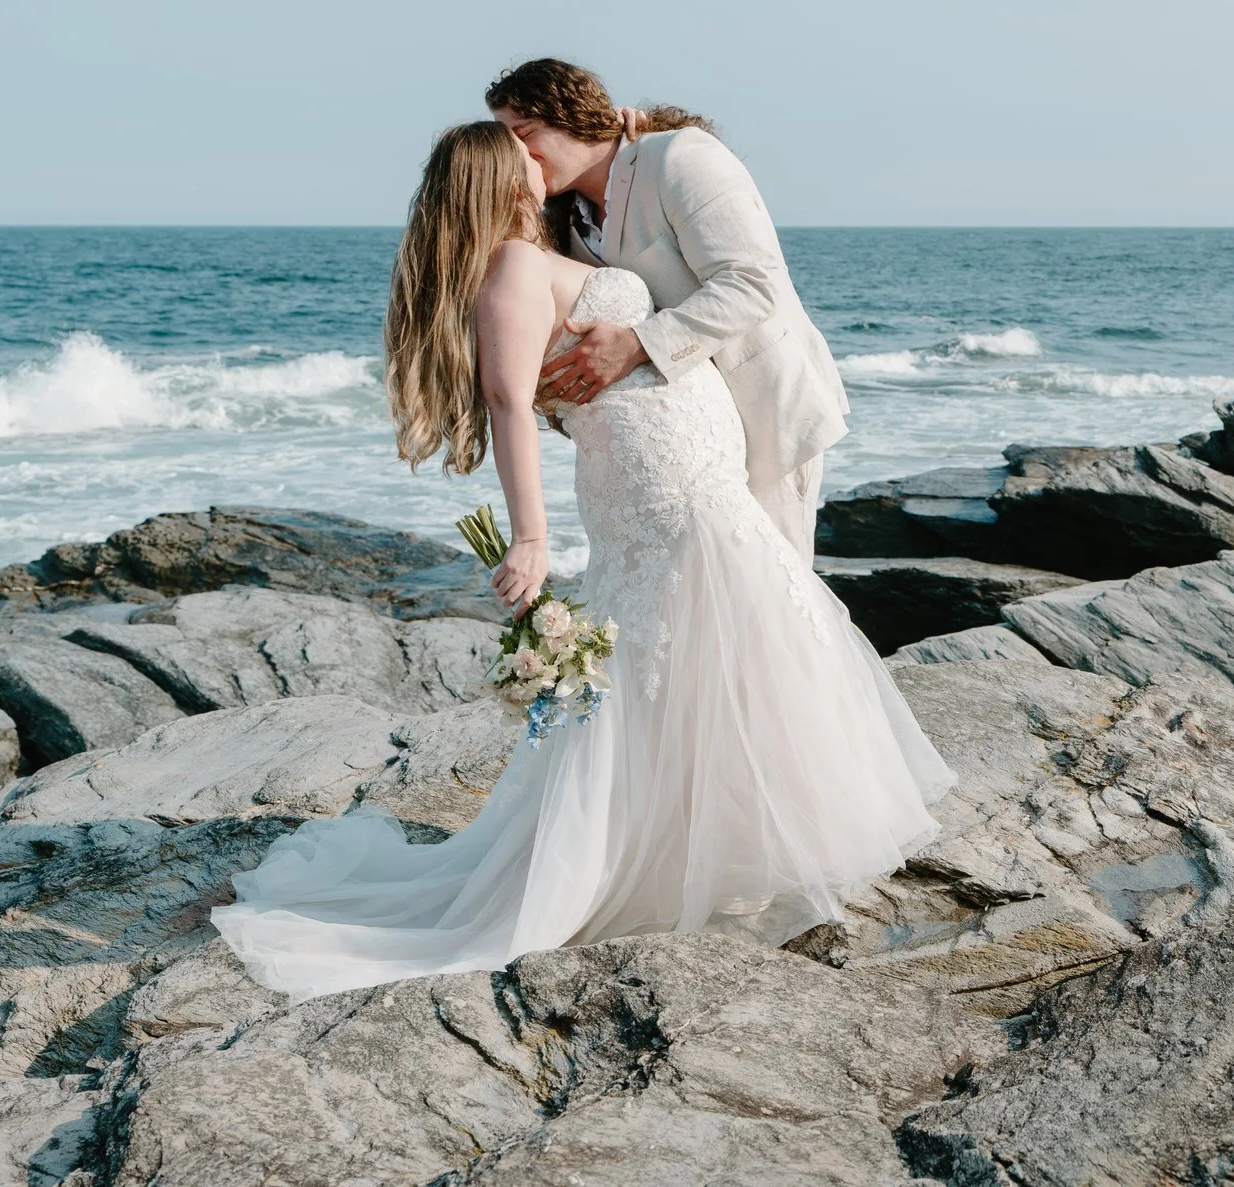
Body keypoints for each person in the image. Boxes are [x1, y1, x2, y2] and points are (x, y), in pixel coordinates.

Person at [210, 122, 953, 1002]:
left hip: (680, 465)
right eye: (518, 143)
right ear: (501, 173)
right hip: (661, 483)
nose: (536, 150)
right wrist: (531, 539)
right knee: (699, 642)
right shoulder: (514, 268)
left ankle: (717, 839)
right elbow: (508, 403)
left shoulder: (537, 250)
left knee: (714, 644)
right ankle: (679, 852)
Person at [485, 58, 848, 561]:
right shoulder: (560, 223)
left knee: (768, 596)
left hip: (762, 415)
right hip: (667, 457)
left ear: (568, 114)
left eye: (524, 134)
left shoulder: (679, 157)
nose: (517, 155)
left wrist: (637, 345)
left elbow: (752, 282)